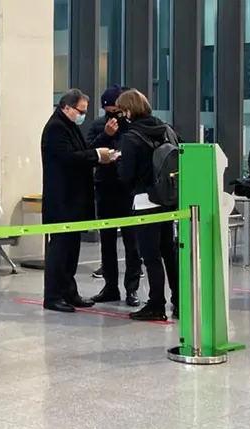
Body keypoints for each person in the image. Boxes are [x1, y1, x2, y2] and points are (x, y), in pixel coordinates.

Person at [41, 88, 117, 313]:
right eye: (80, 111)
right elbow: (68, 158)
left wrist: (101, 148)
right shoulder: (56, 128)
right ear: (66, 107)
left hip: (73, 200)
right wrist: (97, 156)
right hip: (62, 200)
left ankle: (69, 291)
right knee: (60, 249)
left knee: (72, 249)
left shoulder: (69, 126)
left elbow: (83, 151)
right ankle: (53, 295)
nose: (82, 115)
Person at [115, 89, 179, 321]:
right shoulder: (166, 130)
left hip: (145, 200)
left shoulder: (131, 137)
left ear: (129, 110)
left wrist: (118, 161)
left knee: (150, 256)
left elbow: (125, 175)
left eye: (122, 111)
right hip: (168, 198)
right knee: (169, 252)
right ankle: (180, 302)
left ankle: (156, 304)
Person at [85, 85, 142, 307]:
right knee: (107, 241)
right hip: (105, 185)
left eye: (116, 111)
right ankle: (110, 286)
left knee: (131, 241)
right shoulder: (99, 125)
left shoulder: (133, 126)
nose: (113, 116)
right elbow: (89, 151)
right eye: (108, 111)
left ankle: (132, 288)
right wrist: (105, 136)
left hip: (128, 189)